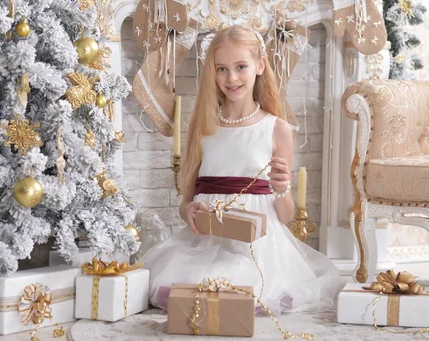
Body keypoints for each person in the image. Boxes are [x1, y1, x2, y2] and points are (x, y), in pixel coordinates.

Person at [139, 25, 340, 314]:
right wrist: (190, 211)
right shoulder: (204, 128)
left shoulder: (276, 129)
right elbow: (185, 205)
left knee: (236, 277)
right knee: (190, 285)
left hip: (257, 247)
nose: (231, 78)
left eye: (240, 67)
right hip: (205, 243)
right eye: (221, 69)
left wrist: (282, 189)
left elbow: (284, 216)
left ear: (260, 66)